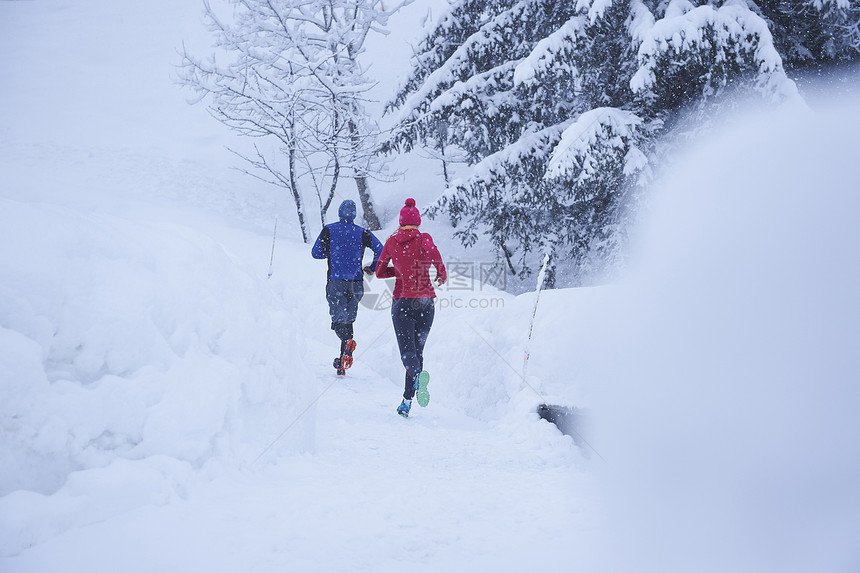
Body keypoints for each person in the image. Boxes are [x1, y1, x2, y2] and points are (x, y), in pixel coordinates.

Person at [375, 198, 447, 417]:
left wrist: (396, 272)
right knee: (418, 350)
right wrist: (440, 273)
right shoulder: (424, 238)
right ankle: (407, 400)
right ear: (417, 222)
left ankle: (416, 376)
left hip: (403, 302)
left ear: (401, 222)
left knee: (408, 353)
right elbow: (435, 256)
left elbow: (379, 272)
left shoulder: (391, 242)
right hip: (426, 304)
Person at [312, 199, 384, 375]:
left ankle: (347, 344)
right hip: (357, 283)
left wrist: (329, 252)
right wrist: (372, 267)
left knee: (338, 321)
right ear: (353, 215)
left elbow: (315, 253)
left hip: (336, 282)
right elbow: (380, 250)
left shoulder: (329, 229)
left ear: (339, 213)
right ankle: (343, 361)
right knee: (349, 321)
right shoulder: (362, 232)